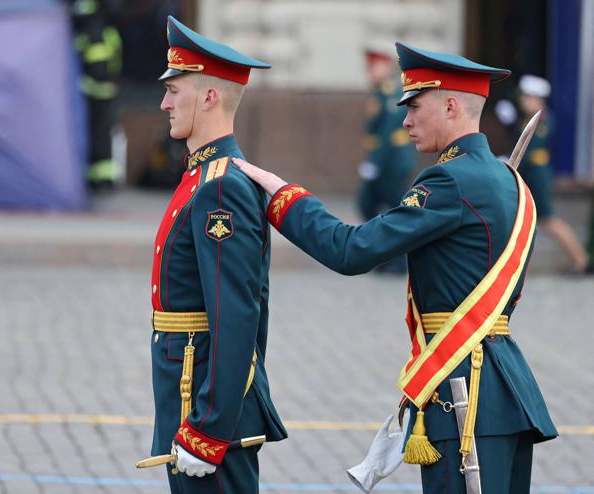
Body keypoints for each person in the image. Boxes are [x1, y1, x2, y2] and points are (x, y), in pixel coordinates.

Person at [234, 42, 557, 494]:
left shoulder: (447, 181)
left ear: (450, 105)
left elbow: (351, 251)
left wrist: (284, 196)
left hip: (464, 395)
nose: (404, 119)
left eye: (415, 106)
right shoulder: (510, 182)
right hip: (506, 390)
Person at [148, 16, 287, 493]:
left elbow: (236, 316)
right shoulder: (203, 175)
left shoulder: (221, 186)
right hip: (190, 394)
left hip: (207, 407)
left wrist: (208, 428)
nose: (164, 102)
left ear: (209, 97)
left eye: (175, 91)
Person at [495, 75, 589, 273]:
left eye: (526, 98)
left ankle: (581, 259)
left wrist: (508, 159)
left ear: (537, 99)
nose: (522, 101)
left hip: (536, 174)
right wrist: (510, 124)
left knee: (548, 219)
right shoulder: (531, 118)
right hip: (529, 173)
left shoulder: (543, 119)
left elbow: (530, 148)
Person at [357, 47, 418, 273]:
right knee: (367, 205)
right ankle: (384, 255)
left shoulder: (392, 92)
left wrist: (375, 162)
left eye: (375, 67)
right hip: (380, 161)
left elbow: (386, 132)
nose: (370, 72)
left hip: (391, 162)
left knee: (396, 211)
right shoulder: (378, 91)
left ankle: (400, 260)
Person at [70, 0, 123, 190]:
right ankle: (101, 179)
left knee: (98, 135)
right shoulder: (103, 29)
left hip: (95, 92)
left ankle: (100, 181)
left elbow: (98, 66)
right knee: (101, 135)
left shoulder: (93, 32)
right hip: (104, 91)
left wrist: (81, 84)